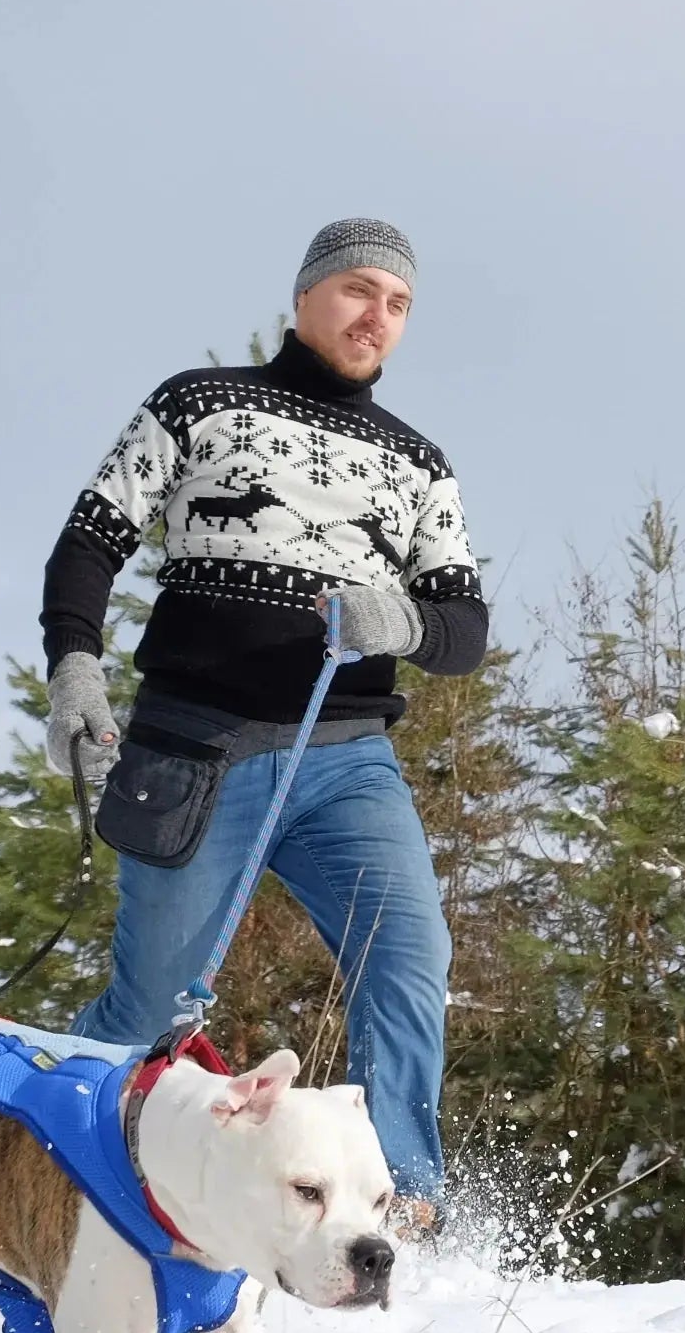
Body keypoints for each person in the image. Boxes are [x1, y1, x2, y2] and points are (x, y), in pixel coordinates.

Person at [36, 219, 486, 1233]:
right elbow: (90, 540)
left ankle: (398, 1205)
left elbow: (465, 630)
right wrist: (75, 666)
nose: (377, 316)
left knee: (409, 960)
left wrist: (404, 619)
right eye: (359, 290)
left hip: (348, 762)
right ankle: (41, 1168)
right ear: (306, 297)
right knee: (148, 1009)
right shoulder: (198, 405)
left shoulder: (420, 464)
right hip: (194, 746)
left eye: (399, 303)